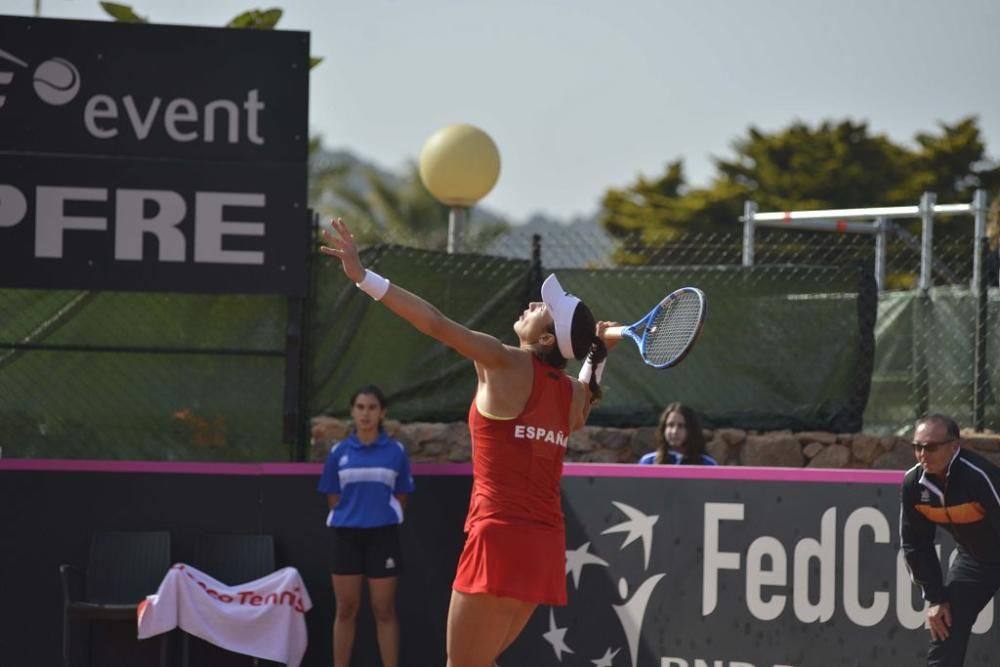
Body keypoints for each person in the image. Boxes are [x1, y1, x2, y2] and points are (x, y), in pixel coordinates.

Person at [320, 217, 617, 667]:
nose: (535, 302)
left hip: (497, 538)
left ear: (545, 338)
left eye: (544, 307)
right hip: (543, 547)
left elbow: (435, 323)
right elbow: (584, 393)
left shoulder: (505, 362)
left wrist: (364, 278)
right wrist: (597, 355)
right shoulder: (572, 395)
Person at [318, 384, 415, 667]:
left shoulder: (396, 452)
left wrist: (381, 516)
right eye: (360, 407)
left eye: (372, 408)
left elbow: (402, 495)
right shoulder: (338, 453)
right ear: (352, 412)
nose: (366, 413)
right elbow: (333, 498)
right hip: (346, 537)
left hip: (383, 537)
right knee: (346, 609)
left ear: (382, 413)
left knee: (384, 609)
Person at [899, 413, 1000, 667]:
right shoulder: (913, 484)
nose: (923, 454)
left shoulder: (978, 476)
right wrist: (935, 598)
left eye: (931, 447)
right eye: (917, 447)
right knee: (946, 622)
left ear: (954, 446)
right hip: (977, 560)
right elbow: (916, 544)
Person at [638, 402, 718, 465]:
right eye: (670, 425)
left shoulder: (707, 464)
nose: (674, 431)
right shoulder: (648, 462)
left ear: (691, 430)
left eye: (681, 426)